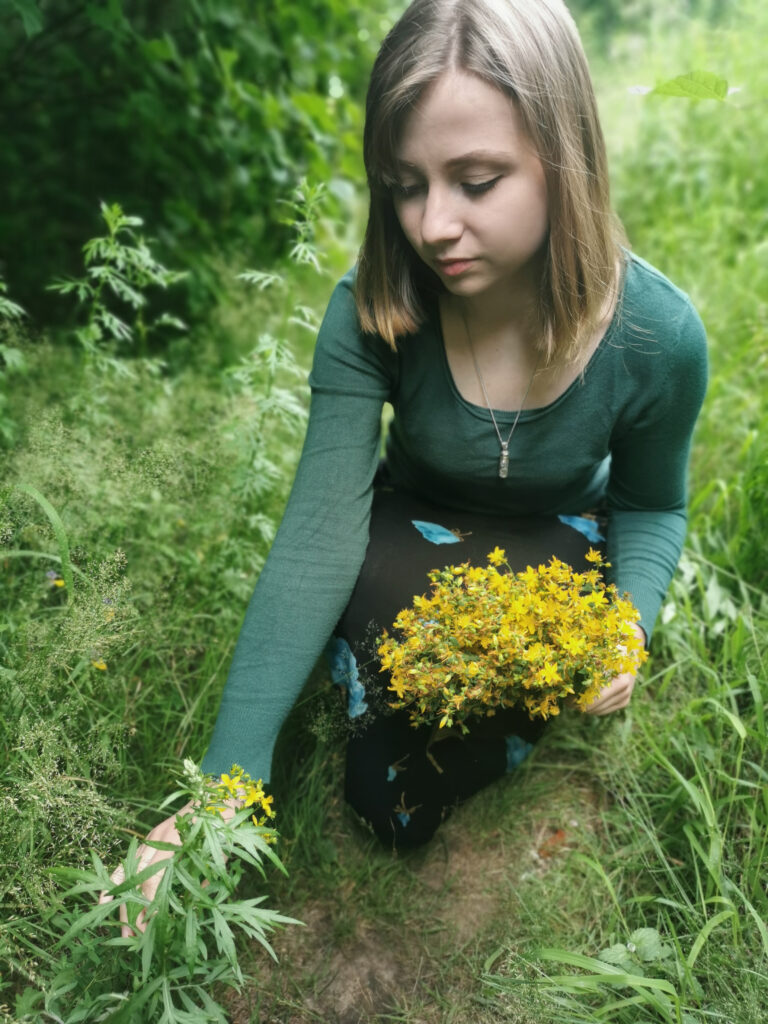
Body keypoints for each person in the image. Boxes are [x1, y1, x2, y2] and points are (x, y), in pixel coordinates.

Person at [102, 0, 707, 931]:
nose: (432, 225)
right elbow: (315, 535)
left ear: (565, 154)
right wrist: (224, 790)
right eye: (405, 185)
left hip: (559, 542)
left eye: (476, 180)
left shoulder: (657, 336)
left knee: (441, 756)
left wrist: (627, 625)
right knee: (382, 773)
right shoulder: (370, 310)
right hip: (408, 530)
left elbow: (653, 505)